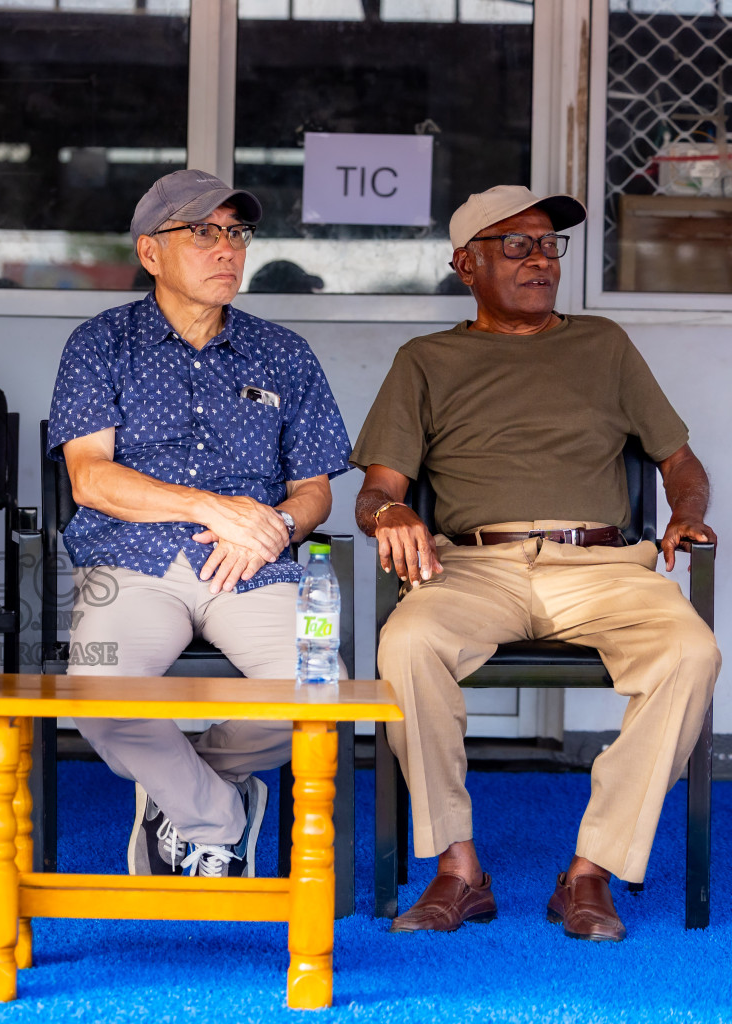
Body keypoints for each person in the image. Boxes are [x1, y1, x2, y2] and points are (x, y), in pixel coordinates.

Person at [352, 185, 720, 942]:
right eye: (515, 245)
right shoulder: (426, 360)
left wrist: (685, 513)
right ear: (466, 265)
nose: (540, 260)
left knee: (691, 652)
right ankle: (459, 870)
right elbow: (378, 489)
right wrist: (389, 513)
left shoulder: (604, 345)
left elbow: (679, 460)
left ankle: (590, 871)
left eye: (549, 245)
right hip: (473, 568)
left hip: (603, 566)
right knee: (407, 643)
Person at [46, 169, 352, 880]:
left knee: (322, 689)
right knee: (97, 687)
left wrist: (274, 525)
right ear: (150, 252)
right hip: (130, 560)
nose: (227, 250)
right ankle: (216, 815)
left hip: (250, 564)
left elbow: (314, 490)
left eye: (236, 233)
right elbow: (90, 477)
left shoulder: (284, 353)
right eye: (204, 232)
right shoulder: (101, 344)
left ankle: (180, 789)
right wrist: (208, 506)